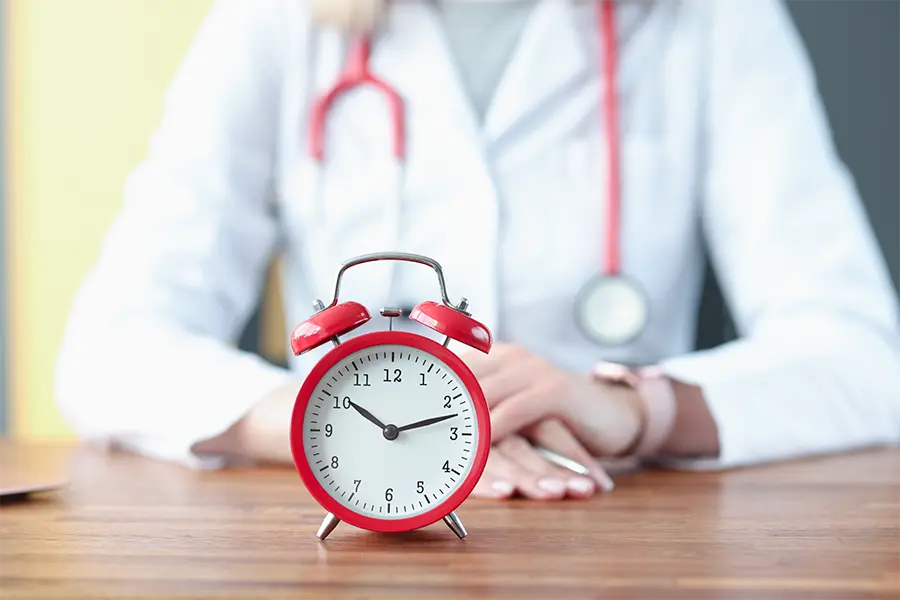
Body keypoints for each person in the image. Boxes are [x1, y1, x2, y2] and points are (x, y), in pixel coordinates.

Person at [55, 0, 900, 501]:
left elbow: (867, 362)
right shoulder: (278, 18)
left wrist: (641, 410)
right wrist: (348, 428)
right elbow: (107, 354)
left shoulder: (712, 18)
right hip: (365, 540)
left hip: (613, 536)